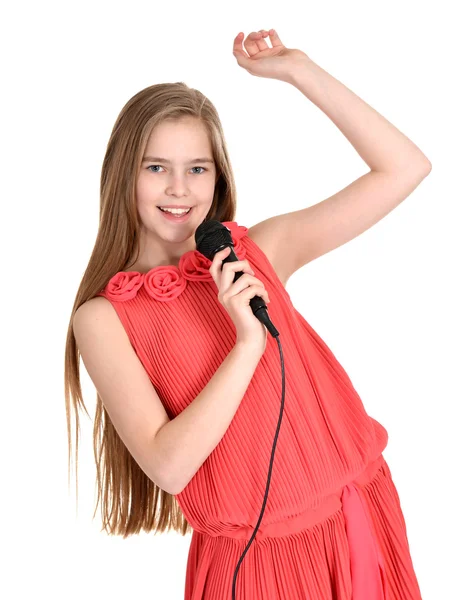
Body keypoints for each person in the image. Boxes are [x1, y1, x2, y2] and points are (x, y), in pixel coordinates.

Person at [66, 28, 431, 600]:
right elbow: (169, 466)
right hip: (260, 565)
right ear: (122, 174)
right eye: (156, 167)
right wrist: (245, 346)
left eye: (198, 168)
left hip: (359, 518)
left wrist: (301, 72)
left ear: (219, 176)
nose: (180, 189)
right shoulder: (105, 318)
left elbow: (404, 168)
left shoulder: (258, 250)